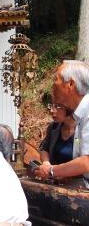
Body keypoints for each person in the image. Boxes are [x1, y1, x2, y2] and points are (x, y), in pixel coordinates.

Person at [35, 60, 89, 188]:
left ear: (70, 84)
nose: (52, 85)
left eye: (56, 79)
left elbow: (86, 162)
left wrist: (51, 170)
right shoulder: (81, 114)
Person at [39, 100, 76, 166]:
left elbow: (84, 161)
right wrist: (46, 164)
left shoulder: (83, 130)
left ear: (68, 108)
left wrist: (56, 171)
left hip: (77, 175)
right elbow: (44, 148)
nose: (51, 111)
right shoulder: (53, 127)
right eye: (51, 106)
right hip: (54, 174)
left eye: (57, 106)